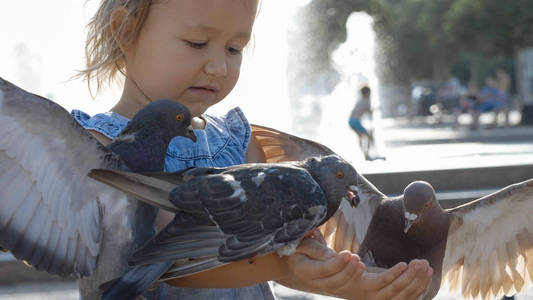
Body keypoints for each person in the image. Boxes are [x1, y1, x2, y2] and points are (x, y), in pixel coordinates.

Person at [73, 0, 432, 299]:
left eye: (235, 49)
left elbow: (280, 250)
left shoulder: (238, 143)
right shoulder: (97, 151)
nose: (218, 66)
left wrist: (333, 273)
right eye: (197, 43)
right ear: (125, 31)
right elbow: (165, 253)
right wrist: (286, 266)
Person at [349, 86, 374, 160]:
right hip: (355, 121)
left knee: (361, 137)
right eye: (370, 92)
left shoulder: (361, 100)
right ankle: (366, 155)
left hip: (351, 121)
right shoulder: (367, 101)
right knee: (368, 136)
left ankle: (364, 154)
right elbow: (369, 112)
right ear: (367, 93)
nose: (371, 94)